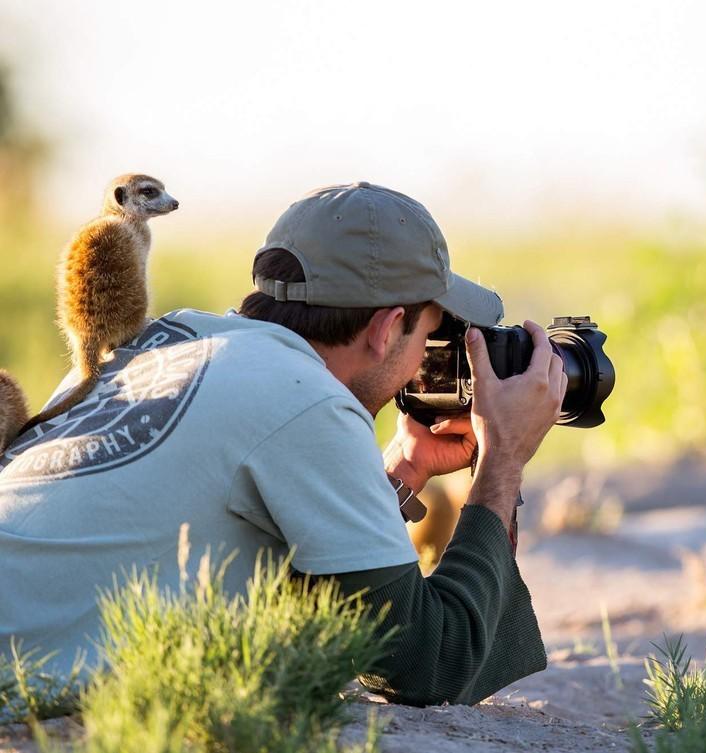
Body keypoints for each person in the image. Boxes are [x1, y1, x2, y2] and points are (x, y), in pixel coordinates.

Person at [0, 182, 566, 706]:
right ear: (387, 327)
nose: (423, 360)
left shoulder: (161, 339)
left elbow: (306, 579)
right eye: (427, 334)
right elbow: (426, 664)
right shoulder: (308, 399)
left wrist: (405, 467)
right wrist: (503, 462)